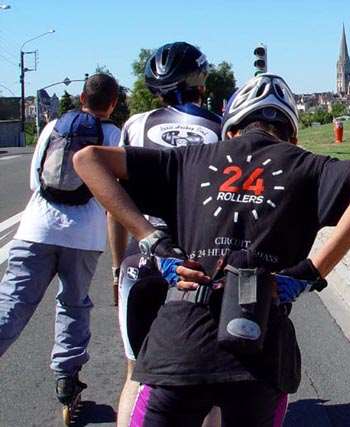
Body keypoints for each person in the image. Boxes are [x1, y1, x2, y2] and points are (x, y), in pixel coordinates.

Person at [74, 72, 350, 426]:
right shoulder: (309, 166)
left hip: (180, 344)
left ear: (230, 129)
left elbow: (88, 160)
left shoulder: (188, 159)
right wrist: (310, 272)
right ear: (292, 134)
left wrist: (154, 241)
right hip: (260, 349)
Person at [108, 42, 224, 427]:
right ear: (201, 84)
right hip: (196, 266)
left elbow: (116, 203)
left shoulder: (135, 125)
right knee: (207, 386)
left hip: (142, 260)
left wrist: (115, 265)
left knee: (135, 375)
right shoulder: (219, 128)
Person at [0, 73, 120, 404]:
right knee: (73, 304)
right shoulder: (112, 134)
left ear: (82, 98)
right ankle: (67, 378)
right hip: (85, 237)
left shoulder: (54, 127)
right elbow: (114, 190)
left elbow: (35, 180)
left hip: (36, 229)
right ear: (112, 104)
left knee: (13, 303)